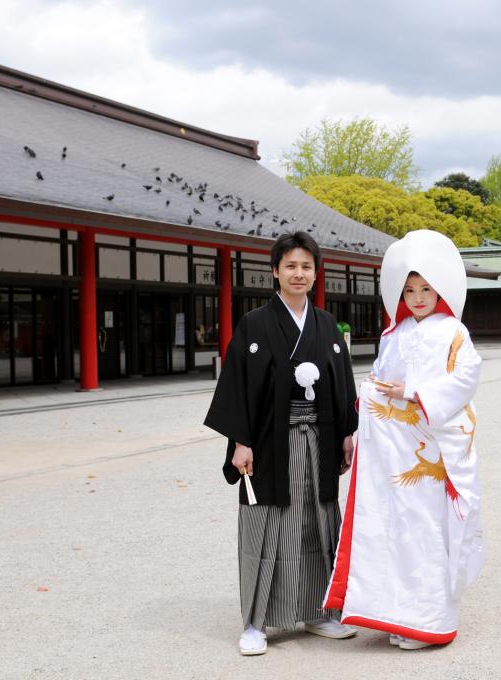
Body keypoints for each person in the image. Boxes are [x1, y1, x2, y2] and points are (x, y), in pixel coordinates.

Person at [324, 229, 485, 651]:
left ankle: (429, 620)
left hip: (432, 446)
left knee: (427, 530)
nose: (417, 297)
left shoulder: (454, 332)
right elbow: (382, 381)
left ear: (442, 289)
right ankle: (398, 616)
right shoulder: (392, 335)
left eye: (426, 288)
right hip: (395, 451)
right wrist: (376, 392)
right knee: (393, 529)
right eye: (410, 289)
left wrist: (413, 392)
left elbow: (465, 378)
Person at [204, 231, 359, 656]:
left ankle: (318, 612)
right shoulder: (254, 324)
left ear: (315, 272)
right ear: (274, 271)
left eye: (306, 266)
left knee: (318, 521)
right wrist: (240, 441)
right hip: (271, 444)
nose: (298, 273)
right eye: (290, 265)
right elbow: (237, 385)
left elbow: (343, 385)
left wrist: (347, 433)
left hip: (320, 440)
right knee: (268, 523)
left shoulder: (327, 325)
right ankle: (256, 622)